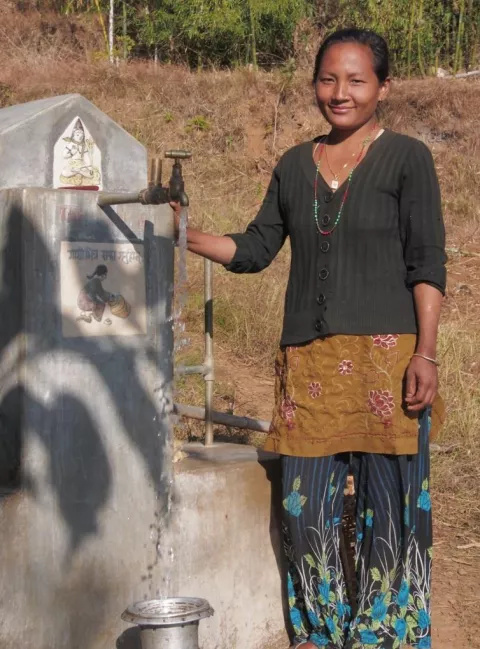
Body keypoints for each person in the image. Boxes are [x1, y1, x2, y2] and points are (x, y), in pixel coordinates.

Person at [171, 28, 446, 649]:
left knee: (391, 505)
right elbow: (255, 248)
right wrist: (183, 232)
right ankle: (321, 633)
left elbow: (427, 264)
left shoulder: (408, 158)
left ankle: (384, 633)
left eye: (356, 80)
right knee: (304, 506)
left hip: (387, 364)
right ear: (314, 84)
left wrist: (425, 353)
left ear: (383, 87)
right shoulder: (295, 164)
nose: (339, 92)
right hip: (311, 366)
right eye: (328, 79)